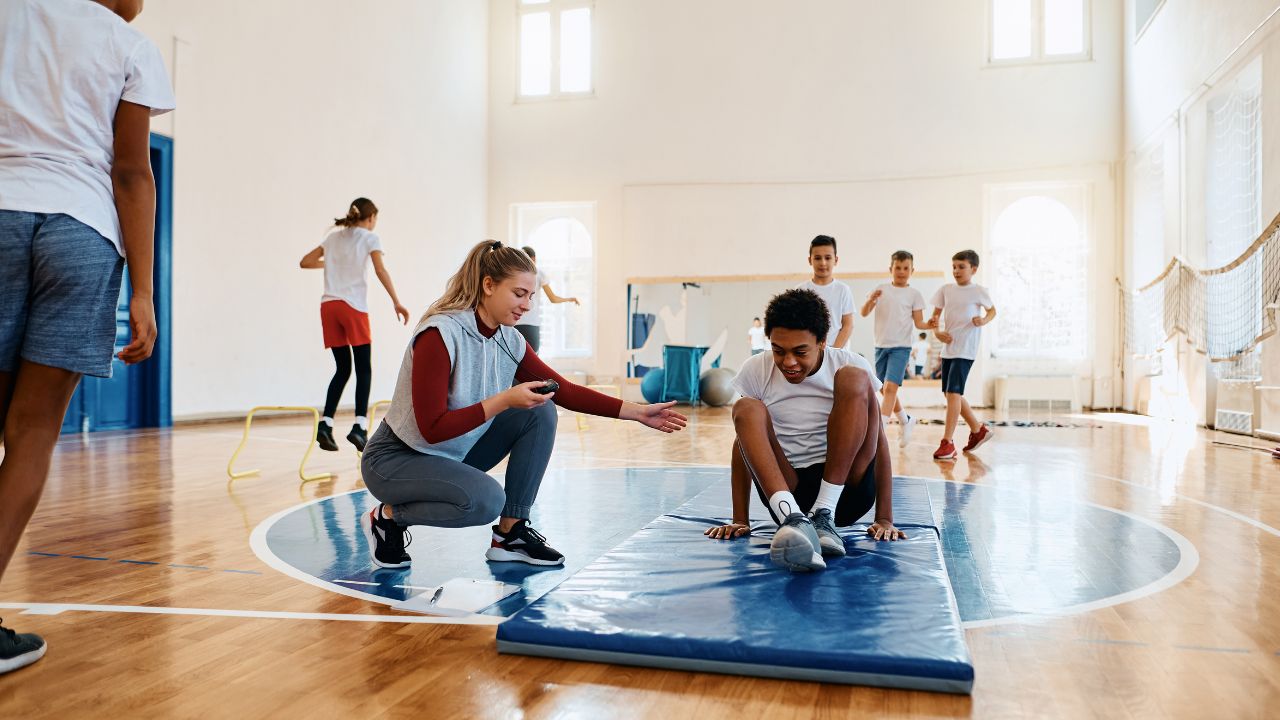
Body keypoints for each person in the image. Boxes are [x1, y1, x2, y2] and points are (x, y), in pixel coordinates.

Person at [0, 0, 175, 674]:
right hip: (80, 228)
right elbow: (132, 172)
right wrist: (142, 292)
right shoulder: (129, 44)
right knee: (34, 430)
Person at [360, 241, 687, 568]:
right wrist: (503, 400)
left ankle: (510, 534)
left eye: (531, 296)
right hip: (395, 461)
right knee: (486, 501)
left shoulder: (509, 339)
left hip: (450, 456)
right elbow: (433, 429)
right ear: (488, 285)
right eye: (519, 294)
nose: (527, 305)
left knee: (541, 409)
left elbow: (565, 390)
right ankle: (387, 518)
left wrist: (637, 412)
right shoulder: (440, 334)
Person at [705, 289, 905, 573]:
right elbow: (743, 444)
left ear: (822, 342)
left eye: (800, 352)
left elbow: (878, 440)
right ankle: (795, 520)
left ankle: (824, 513)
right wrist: (741, 518)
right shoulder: (756, 370)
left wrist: (884, 517)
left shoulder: (849, 362)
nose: (788, 362)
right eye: (778, 350)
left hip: (848, 490)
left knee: (854, 378)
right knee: (745, 408)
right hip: (790, 491)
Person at [300, 198, 409, 451]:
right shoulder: (370, 238)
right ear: (370, 218)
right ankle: (359, 427)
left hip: (329, 307)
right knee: (364, 369)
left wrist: (333, 263)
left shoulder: (333, 238)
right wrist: (396, 301)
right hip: (352, 308)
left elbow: (305, 262)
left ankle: (326, 424)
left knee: (342, 369)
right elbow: (381, 270)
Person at [859, 250, 935, 447]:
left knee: (891, 388)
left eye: (906, 268)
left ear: (912, 270)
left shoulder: (914, 295)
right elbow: (864, 312)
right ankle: (905, 420)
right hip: (880, 346)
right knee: (884, 390)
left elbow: (919, 323)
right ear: (890, 269)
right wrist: (870, 300)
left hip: (901, 347)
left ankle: (879, 434)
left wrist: (931, 324)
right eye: (898, 268)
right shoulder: (881, 289)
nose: (902, 272)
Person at [928, 250, 997, 461]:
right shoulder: (945, 290)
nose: (956, 271)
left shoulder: (978, 291)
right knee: (951, 395)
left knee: (953, 394)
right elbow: (934, 318)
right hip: (949, 349)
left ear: (973, 269)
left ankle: (947, 443)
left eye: (961, 267)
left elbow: (992, 311)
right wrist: (937, 332)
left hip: (966, 349)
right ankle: (978, 430)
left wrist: (983, 321)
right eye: (954, 267)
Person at [513, 245, 579, 353]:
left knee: (514, 360)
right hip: (531, 324)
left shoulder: (514, 274)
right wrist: (568, 299)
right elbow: (553, 298)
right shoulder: (538, 274)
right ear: (534, 258)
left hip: (514, 323)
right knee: (533, 361)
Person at [796, 235, 854, 349]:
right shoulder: (800, 290)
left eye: (827, 258)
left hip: (837, 350)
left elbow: (848, 325)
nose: (823, 263)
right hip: (810, 351)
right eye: (817, 258)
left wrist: (834, 351)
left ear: (836, 260)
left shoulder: (843, 290)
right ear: (810, 260)